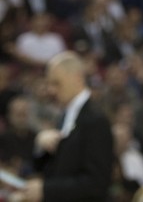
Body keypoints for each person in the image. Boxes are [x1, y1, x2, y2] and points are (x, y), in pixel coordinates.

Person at [11, 51, 113, 202]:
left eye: (56, 83)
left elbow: (97, 183)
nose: (50, 90)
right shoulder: (64, 117)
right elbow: (56, 169)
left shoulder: (96, 119)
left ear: (77, 78)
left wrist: (45, 190)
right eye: (49, 83)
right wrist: (41, 146)